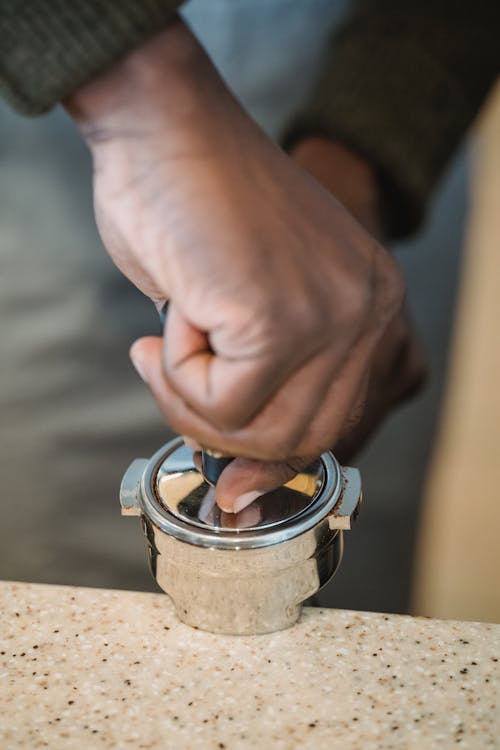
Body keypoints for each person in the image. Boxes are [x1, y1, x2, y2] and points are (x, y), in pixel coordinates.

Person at [1, 1, 499, 526]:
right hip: (36, 132)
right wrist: (133, 90)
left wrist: (358, 168)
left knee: (333, 562)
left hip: (366, 94)